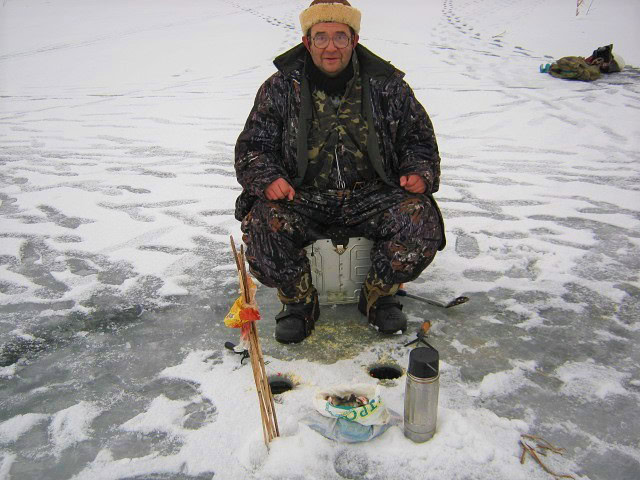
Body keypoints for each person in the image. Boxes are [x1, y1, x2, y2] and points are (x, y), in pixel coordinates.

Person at [234, 0, 445, 344]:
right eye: (321, 37)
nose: (330, 47)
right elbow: (252, 148)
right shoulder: (279, 87)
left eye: (340, 37)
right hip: (304, 196)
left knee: (419, 218)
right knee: (262, 223)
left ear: (354, 40)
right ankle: (299, 303)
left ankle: (379, 295)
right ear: (307, 42)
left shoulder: (388, 86)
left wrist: (418, 170)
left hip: (372, 194)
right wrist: (268, 178)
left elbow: (418, 139)